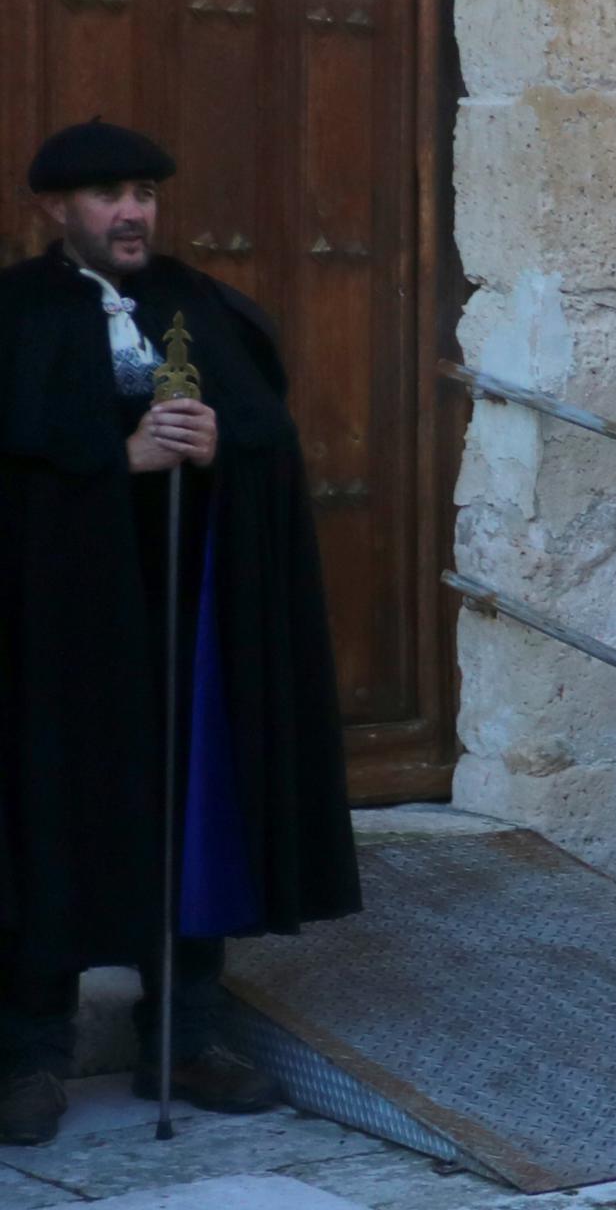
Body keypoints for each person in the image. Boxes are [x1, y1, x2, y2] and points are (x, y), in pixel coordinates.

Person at [2, 124, 360, 1142]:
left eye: (145, 194)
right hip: (54, 638)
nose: (133, 213)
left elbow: (267, 442)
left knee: (188, 812)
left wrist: (220, 449)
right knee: (49, 818)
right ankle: (29, 1052)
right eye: (110, 196)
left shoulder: (197, 307)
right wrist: (115, 460)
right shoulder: (13, 316)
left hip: (180, 631)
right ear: (52, 211)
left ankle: (187, 1035)